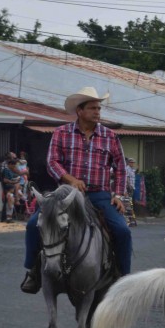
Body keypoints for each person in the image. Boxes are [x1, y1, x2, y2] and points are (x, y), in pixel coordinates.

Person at [21, 86, 131, 294]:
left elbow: (121, 167)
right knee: (34, 224)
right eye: (92, 108)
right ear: (80, 111)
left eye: (99, 108)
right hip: (65, 194)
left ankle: (123, 277)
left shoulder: (110, 136)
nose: (97, 112)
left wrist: (118, 195)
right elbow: (52, 162)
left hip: (99, 194)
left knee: (123, 231)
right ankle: (32, 271)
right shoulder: (61, 133)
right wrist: (70, 179)